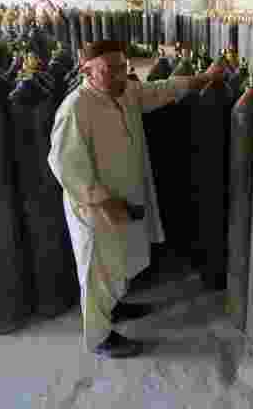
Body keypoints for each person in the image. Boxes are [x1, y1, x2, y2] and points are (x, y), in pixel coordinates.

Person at [48, 40, 223, 359]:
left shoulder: (126, 93)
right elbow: (64, 163)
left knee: (120, 263)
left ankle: (114, 309)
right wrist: (102, 201)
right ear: (87, 71)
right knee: (98, 271)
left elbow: (162, 90)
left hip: (126, 199)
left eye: (121, 67)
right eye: (108, 70)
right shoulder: (77, 108)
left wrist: (203, 78)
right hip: (96, 208)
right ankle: (99, 338)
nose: (117, 75)